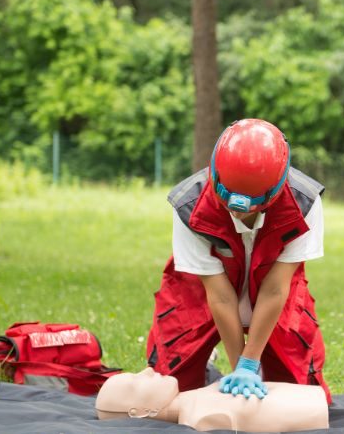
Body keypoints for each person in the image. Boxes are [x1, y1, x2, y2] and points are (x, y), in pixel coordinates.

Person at [145, 119, 331, 403]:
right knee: (166, 396)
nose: (238, 213)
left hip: (274, 295)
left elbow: (275, 288)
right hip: (199, 295)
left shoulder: (304, 203)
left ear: (275, 190)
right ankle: (209, 367)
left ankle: (254, 364)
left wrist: (249, 364)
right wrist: (237, 369)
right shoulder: (188, 205)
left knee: (301, 397)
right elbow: (219, 296)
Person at [95, 367, 329, 432]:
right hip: (315, 411)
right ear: (139, 412)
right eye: (136, 382)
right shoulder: (201, 417)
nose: (146, 370)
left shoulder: (196, 402)